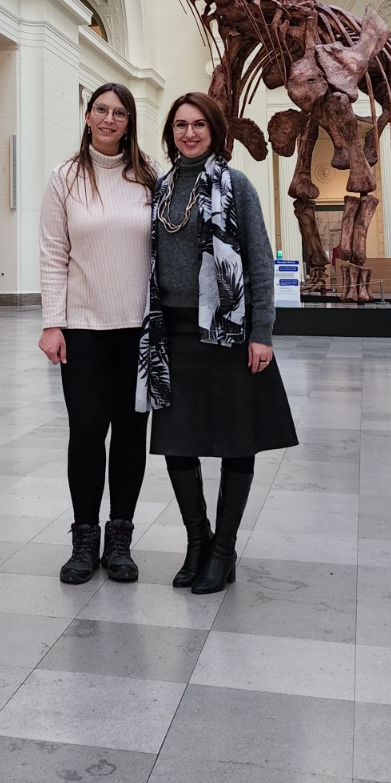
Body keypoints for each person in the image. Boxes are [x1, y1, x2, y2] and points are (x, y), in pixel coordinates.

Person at [139, 92, 298, 595]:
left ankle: (224, 549)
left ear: (214, 131)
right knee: (176, 441)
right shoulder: (161, 189)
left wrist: (262, 333)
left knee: (236, 440)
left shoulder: (236, 185)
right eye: (180, 125)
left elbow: (259, 261)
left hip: (228, 332)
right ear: (171, 133)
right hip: (173, 332)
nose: (189, 133)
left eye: (199, 125)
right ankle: (197, 541)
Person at [39, 83, 157, 585]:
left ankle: (120, 540)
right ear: (87, 116)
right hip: (84, 329)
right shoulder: (64, 177)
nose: (110, 119)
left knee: (130, 435)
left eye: (120, 113)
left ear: (129, 123)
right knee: (87, 433)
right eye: (102, 110)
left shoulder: (149, 176)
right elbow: (53, 252)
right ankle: (84, 540)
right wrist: (52, 322)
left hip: (138, 331)